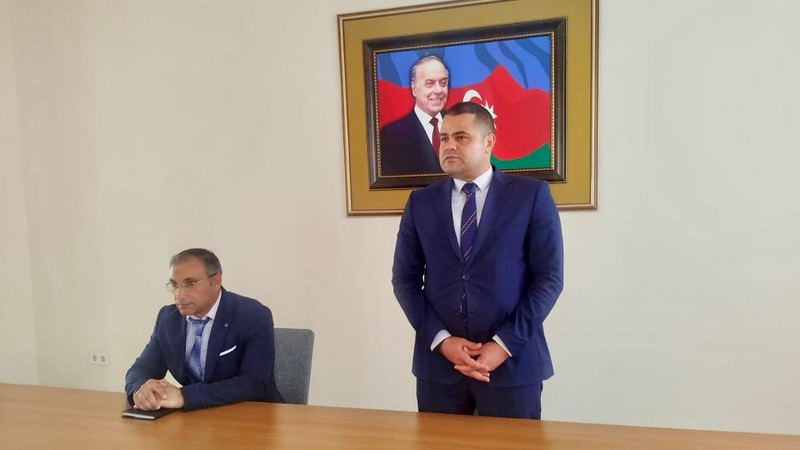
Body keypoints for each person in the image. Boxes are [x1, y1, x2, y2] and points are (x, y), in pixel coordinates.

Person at [391, 101, 564, 419]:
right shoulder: (420, 202)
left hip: (512, 365)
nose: (449, 146)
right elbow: (404, 279)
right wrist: (441, 340)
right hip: (440, 370)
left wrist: (503, 344)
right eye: (444, 138)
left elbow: (549, 278)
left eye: (461, 137)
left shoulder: (530, 195)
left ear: (489, 142)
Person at [125, 248, 283, 410]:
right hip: (196, 416)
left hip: (252, 413)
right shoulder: (168, 319)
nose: (179, 295)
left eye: (190, 283)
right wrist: (141, 390)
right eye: (174, 285)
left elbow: (254, 383)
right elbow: (141, 369)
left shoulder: (253, 315)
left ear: (216, 281)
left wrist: (185, 396)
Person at [379, 55, 449, 176]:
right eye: (429, 83)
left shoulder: (460, 124)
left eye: (443, 83)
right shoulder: (391, 135)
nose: (438, 90)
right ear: (414, 88)